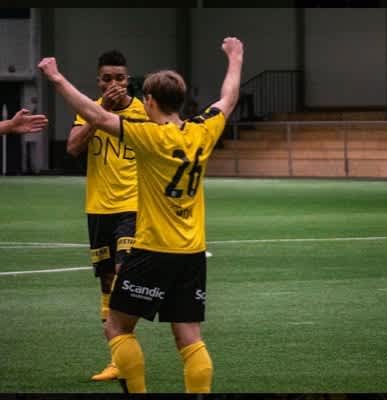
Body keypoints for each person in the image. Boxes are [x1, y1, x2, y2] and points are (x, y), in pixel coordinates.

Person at [38, 36, 243, 393]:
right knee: (190, 339)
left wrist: (56, 79)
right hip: (192, 253)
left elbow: (95, 114)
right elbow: (228, 99)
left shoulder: (148, 137)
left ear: (148, 101)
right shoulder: (203, 129)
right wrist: (235, 59)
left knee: (116, 327)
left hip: (152, 250)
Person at [66, 49, 148, 382]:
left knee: (123, 272)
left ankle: (128, 351)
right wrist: (100, 113)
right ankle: (118, 359)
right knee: (107, 281)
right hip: (99, 208)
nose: (114, 83)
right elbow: (73, 147)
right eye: (107, 78)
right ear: (98, 81)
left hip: (133, 205)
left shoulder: (144, 111)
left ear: (128, 80)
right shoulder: (89, 109)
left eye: (120, 78)